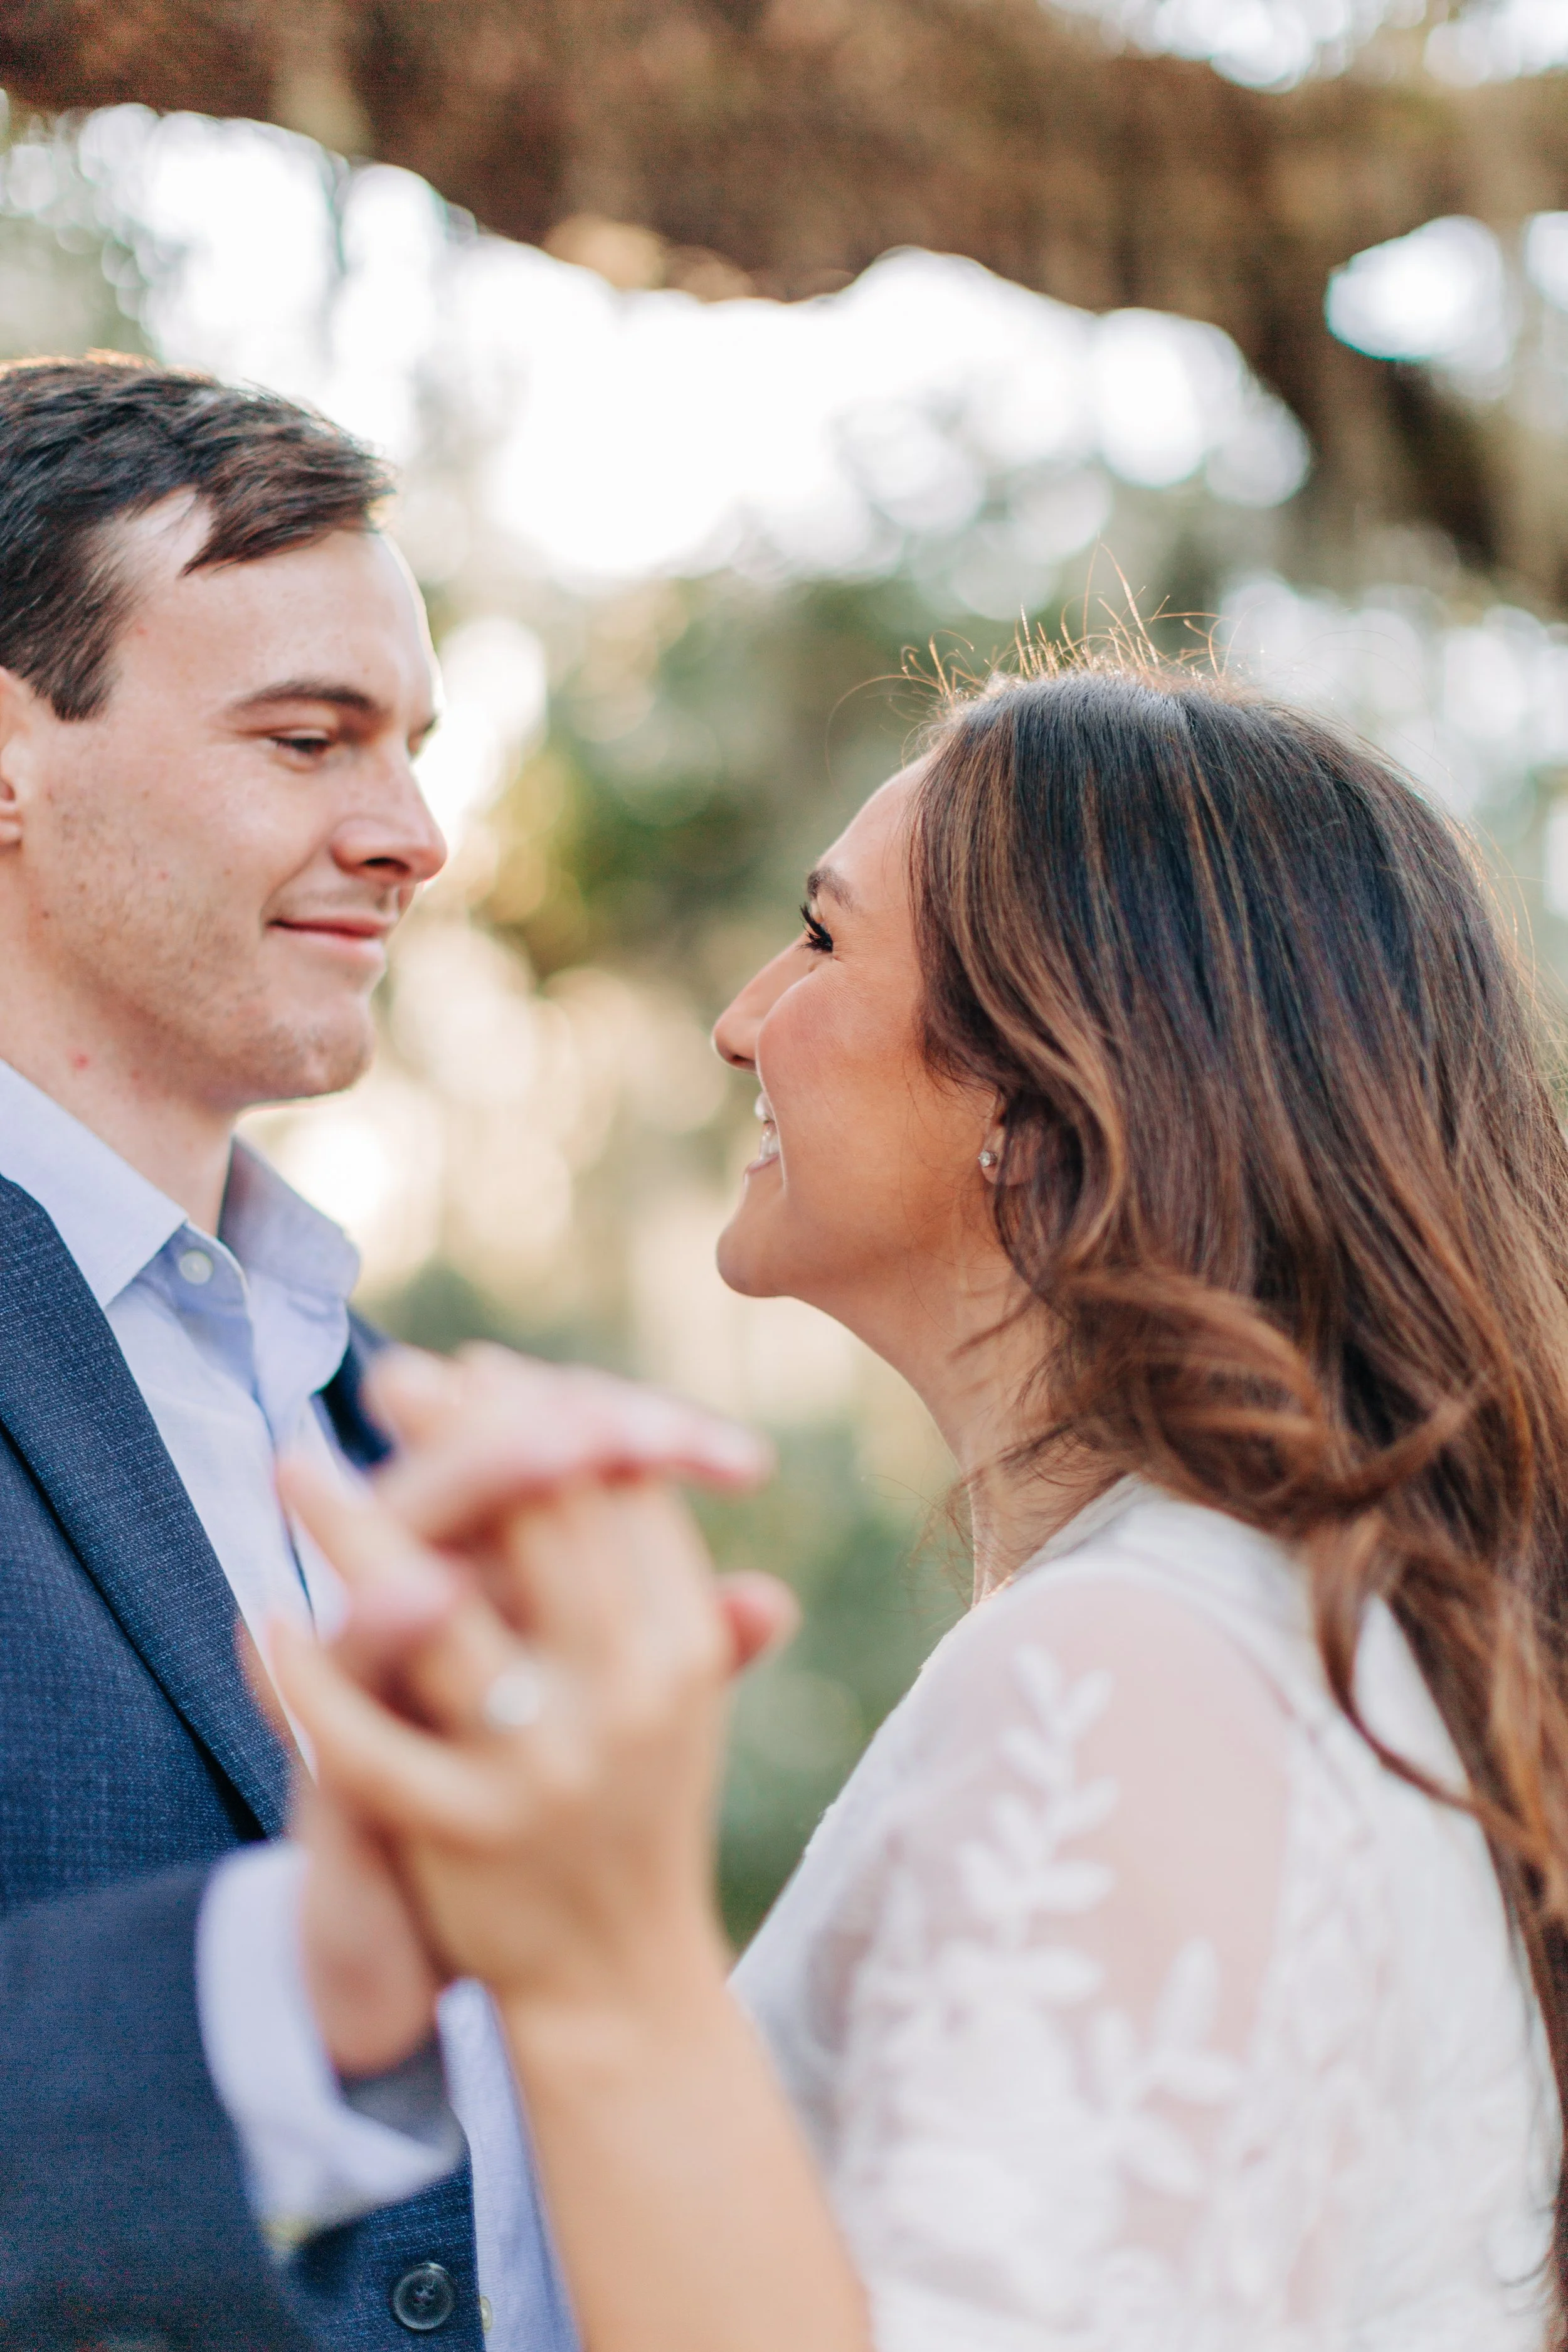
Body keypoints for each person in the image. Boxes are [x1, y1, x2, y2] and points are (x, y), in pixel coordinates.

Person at [278, 657, 1568, 2349]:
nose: (742, 1015)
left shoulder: (1142, 1675)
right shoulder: (1290, 1635)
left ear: (1042, 1094)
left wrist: (600, 1957)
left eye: (820, 941)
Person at [0, 351, 777, 2351]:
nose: (416, 832)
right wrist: (301, 1976)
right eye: (308, 739)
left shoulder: (363, 1401)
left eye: (410, 745)